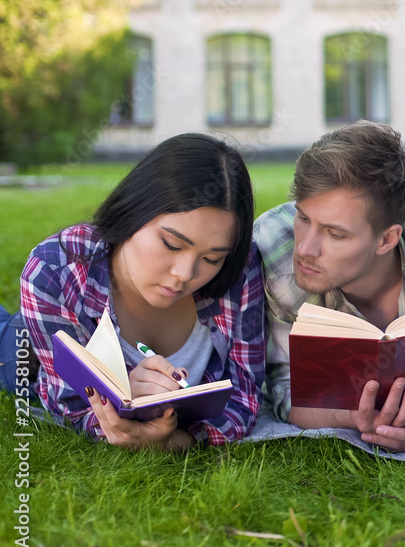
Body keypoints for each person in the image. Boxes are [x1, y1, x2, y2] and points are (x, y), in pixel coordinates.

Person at [255, 120, 405, 452]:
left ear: (387, 239)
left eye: (335, 234)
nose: (305, 249)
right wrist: (354, 418)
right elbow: (287, 387)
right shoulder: (274, 247)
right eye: (303, 218)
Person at [20, 133, 265, 450]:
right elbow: (70, 405)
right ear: (133, 210)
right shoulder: (55, 273)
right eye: (172, 244)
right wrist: (122, 400)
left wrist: (178, 439)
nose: (184, 275)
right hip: (53, 326)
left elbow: (245, 395)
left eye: (211, 258)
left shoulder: (241, 267)